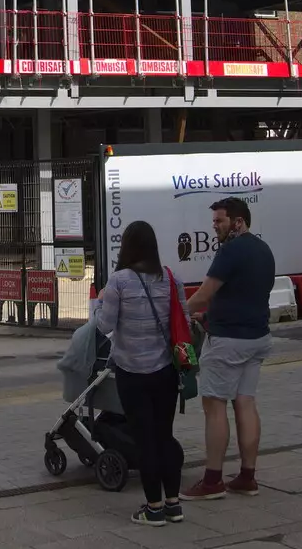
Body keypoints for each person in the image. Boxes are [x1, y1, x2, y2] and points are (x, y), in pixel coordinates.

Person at [92, 220, 187, 527]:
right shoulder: (170, 278)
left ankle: (154, 507)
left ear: (128, 247)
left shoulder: (119, 281)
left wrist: (99, 301)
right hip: (166, 372)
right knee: (164, 437)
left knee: (145, 440)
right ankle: (174, 504)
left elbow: (103, 325)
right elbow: (183, 320)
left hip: (132, 374)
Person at [182, 196, 274, 500]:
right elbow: (247, 296)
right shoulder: (264, 250)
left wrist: (177, 310)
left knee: (214, 406)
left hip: (227, 342)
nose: (215, 227)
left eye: (220, 221)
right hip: (257, 338)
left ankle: (212, 481)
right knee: (245, 403)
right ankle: (247, 476)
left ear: (238, 221)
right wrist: (209, 316)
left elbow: (205, 293)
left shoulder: (231, 250)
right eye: (214, 222)